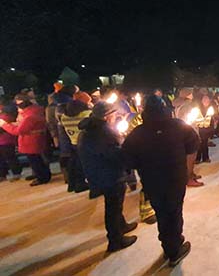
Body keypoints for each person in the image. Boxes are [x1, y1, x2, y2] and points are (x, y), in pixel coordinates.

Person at [122, 96, 197, 267]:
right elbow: (193, 144)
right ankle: (174, 249)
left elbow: (128, 160)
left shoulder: (138, 133)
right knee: (174, 212)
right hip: (175, 178)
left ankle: (169, 243)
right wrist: (183, 160)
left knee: (162, 213)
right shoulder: (178, 125)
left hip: (151, 181)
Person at [77, 102, 137, 252]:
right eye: (114, 114)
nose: (115, 116)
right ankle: (115, 240)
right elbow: (115, 154)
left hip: (100, 173)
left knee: (115, 205)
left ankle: (121, 226)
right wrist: (125, 145)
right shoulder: (103, 133)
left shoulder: (91, 129)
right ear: (106, 116)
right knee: (113, 208)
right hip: (109, 175)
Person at [0, 94, 51, 186]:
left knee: (35, 160)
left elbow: (20, 130)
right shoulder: (29, 112)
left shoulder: (30, 115)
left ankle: (42, 177)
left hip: (31, 140)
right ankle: (40, 175)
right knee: (36, 159)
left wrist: (4, 125)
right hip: (30, 139)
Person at [60, 92, 93, 193]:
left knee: (73, 163)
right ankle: (80, 184)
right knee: (82, 165)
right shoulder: (86, 115)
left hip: (73, 142)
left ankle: (72, 184)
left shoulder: (63, 117)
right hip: (85, 142)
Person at [0, 101, 21, 181]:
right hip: (4, 140)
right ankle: (2, 174)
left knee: (10, 157)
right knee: (2, 159)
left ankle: (16, 173)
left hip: (6, 140)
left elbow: (9, 125)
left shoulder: (6, 114)